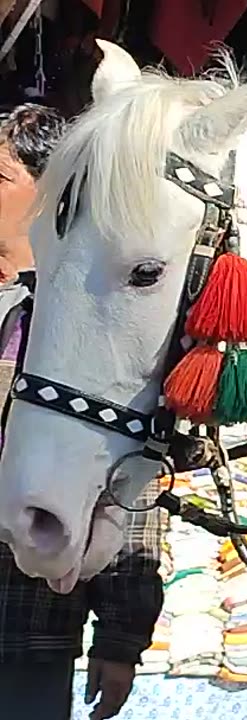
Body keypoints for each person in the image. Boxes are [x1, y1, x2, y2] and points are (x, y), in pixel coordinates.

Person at [0, 103, 164, 720]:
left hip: (24, 627)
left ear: (50, 191)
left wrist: (121, 636)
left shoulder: (82, 327)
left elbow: (127, 482)